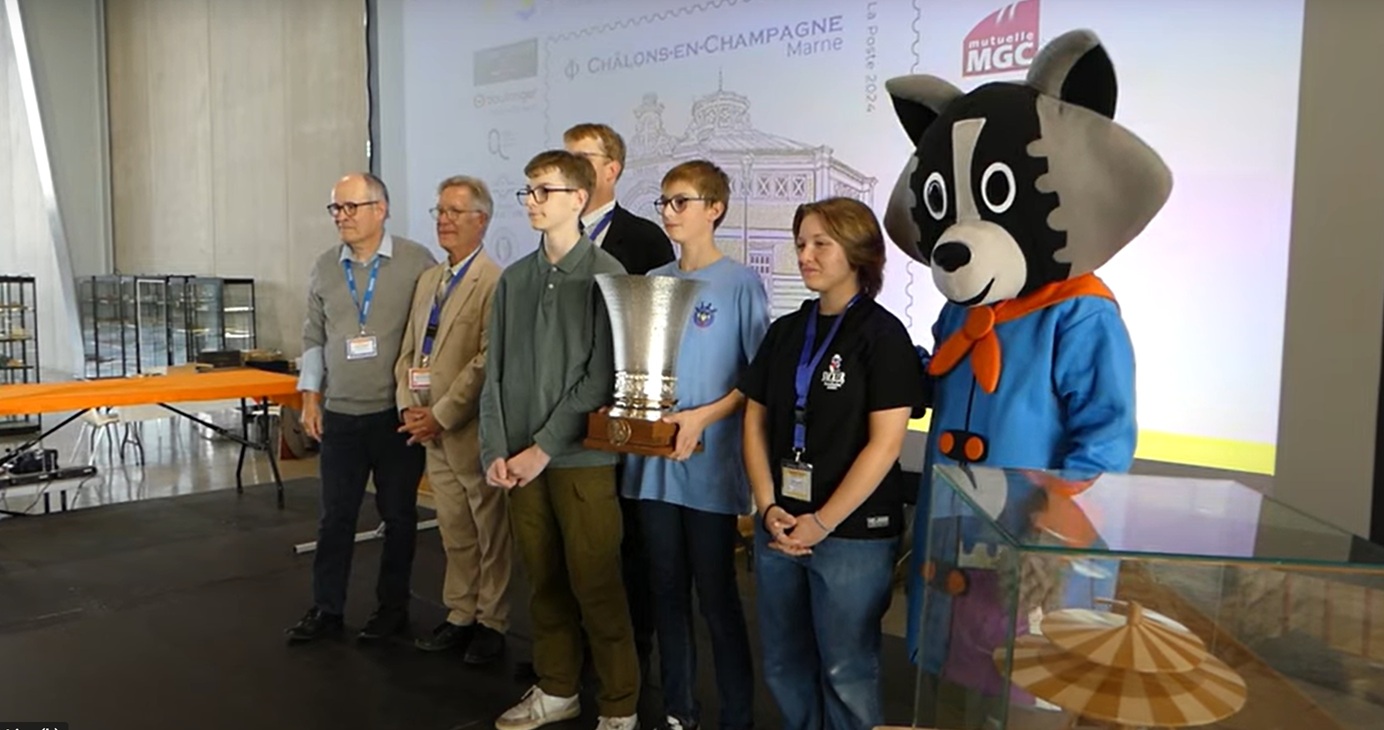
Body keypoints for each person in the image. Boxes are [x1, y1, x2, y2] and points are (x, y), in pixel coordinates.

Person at [739, 197, 926, 730]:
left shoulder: (882, 336)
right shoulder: (785, 331)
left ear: (858, 251)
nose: (806, 255)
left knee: (846, 671)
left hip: (851, 537)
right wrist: (767, 506)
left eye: (821, 243)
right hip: (780, 527)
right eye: (801, 243)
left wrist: (822, 522)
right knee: (783, 662)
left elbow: (884, 446)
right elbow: (754, 422)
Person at [479, 149, 639, 730]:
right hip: (519, 464)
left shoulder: (607, 274)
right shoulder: (514, 278)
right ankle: (556, 688)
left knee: (596, 584)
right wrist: (495, 450)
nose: (532, 201)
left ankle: (620, 706)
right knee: (543, 582)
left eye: (544, 190)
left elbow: (600, 377)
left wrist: (542, 448)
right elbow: (494, 372)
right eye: (528, 191)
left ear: (579, 198)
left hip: (579, 461)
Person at [622, 160, 768, 730]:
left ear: (715, 208)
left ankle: (736, 715)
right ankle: (679, 710)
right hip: (653, 464)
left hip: (709, 466)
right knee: (665, 591)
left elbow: (756, 379)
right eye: (663, 201)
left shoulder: (740, 284)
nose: (669, 212)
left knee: (716, 595)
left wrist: (702, 417)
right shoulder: (654, 281)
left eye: (681, 201)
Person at [287, 172, 436, 643]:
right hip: (341, 414)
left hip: (395, 416)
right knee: (335, 517)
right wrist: (310, 396)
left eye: (351, 207)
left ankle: (392, 610)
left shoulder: (417, 262)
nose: (342, 217)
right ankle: (326, 609)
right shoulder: (325, 267)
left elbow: (433, 334)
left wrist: (428, 400)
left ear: (381, 209)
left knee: (399, 516)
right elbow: (313, 336)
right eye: (336, 208)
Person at [563, 121, 674, 681]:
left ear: (612, 169)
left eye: (582, 158)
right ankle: (573, 649)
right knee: (573, 538)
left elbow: (655, 330)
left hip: (621, 415)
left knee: (626, 541)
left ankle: (630, 655)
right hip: (565, 411)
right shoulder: (555, 236)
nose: (571, 169)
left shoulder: (645, 239)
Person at [394, 175, 509, 664]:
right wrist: (408, 404)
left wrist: (440, 415)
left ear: (481, 220)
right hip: (427, 429)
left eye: (455, 212)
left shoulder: (495, 282)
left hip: (468, 429)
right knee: (454, 530)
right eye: (439, 211)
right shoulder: (429, 280)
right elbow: (408, 352)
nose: (443, 220)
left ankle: (492, 621)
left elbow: (485, 361)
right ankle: (461, 612)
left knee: (489, 532)